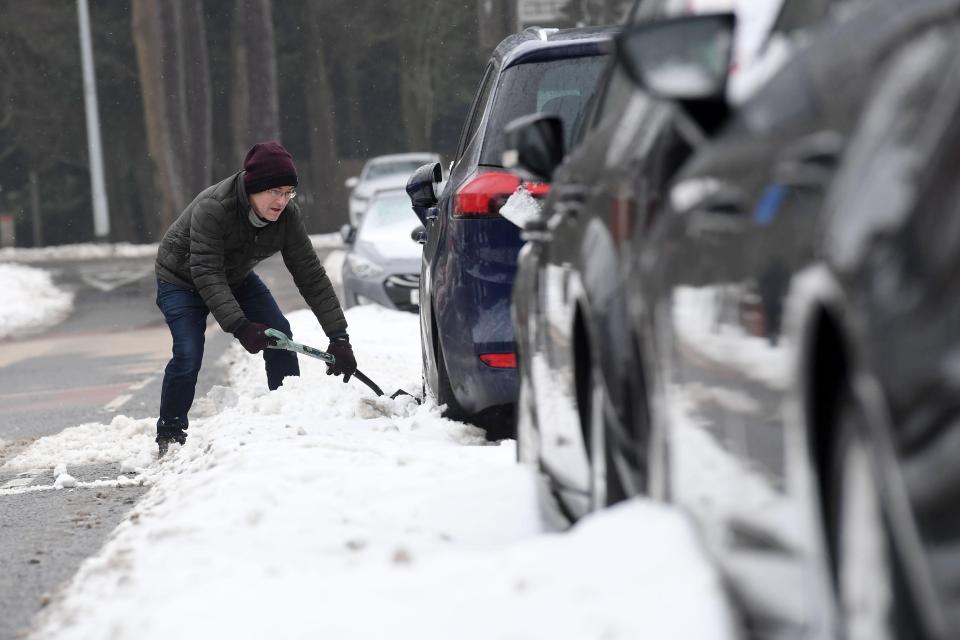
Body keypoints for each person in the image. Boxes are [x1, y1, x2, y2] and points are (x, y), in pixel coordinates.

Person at [153, 141, 357, 454]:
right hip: (181, 280)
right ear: (253, 187)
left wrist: (339, 337)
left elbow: (311, 275)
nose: (282, 200)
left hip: (235, 276)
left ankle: (286, 414)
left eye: (288, 191)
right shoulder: (215, 208)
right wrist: (241, 325)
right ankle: (170, 432)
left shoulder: (288, 217)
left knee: (280, 334)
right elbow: (207, 273)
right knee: (188, 354)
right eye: (274, 191)